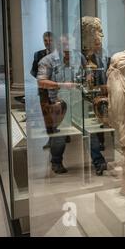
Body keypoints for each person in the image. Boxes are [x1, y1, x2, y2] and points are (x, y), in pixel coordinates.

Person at [37, 34, 77, 174]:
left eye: (69, 45)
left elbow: (87, 73)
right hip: (58, 105)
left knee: (92, 133)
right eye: (64, 45)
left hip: (78, 103)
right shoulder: (46, 61)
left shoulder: (78, 58)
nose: (67, 48)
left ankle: (98, 162)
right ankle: (56, 161)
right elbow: (41, 82)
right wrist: (61, 85)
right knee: (59, 135)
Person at [80, 16, 108, 175]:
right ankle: (98, 160)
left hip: (98, 101)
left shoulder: (100, 57)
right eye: (96, 32)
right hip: (82, 102)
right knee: (90, 132)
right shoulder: (78, 58)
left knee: (97, 131)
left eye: (101, 31)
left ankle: (98, 157)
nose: (100, 36)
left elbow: (101, 79)